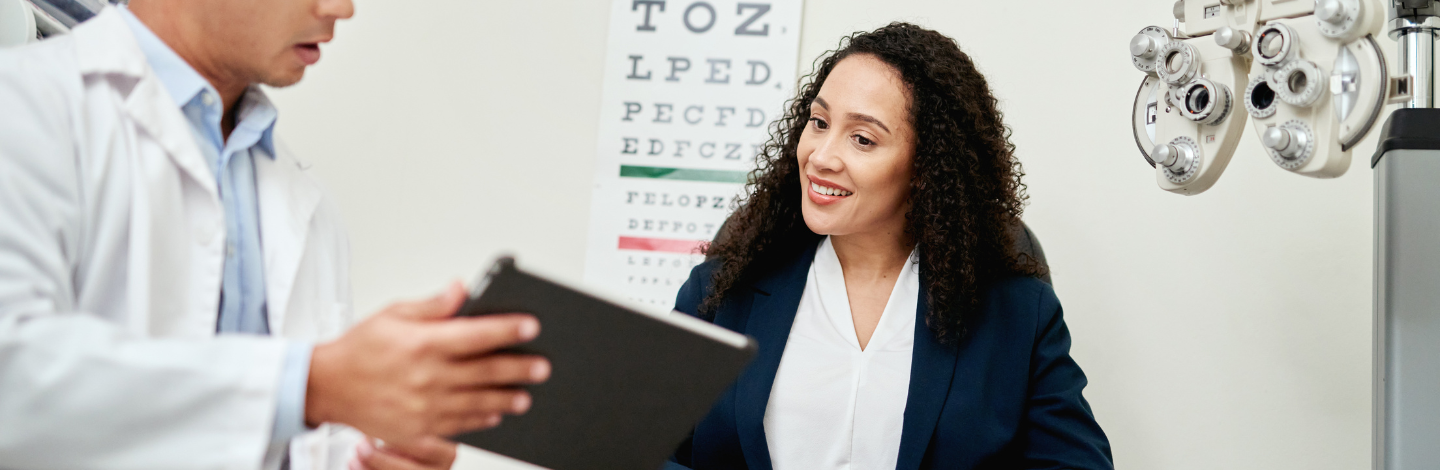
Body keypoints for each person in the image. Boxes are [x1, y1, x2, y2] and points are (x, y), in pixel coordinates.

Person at [0, 1, 548, 469]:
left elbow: (286, 442)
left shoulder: (302, 199)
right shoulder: (24, 104)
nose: (342, 8)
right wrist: (310, 385)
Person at [666, 23, 1113, 470]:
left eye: (863, 139)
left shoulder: (1016, 313)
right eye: (819, 123)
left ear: (926, 166)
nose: (821, 156)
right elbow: (645, 447)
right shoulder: (724, 289)